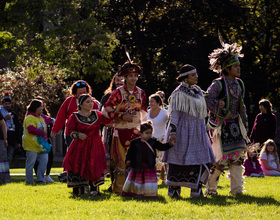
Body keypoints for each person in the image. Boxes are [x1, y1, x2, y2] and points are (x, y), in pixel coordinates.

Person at [162, 64, 215, 198]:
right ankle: (174, 190)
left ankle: (196, 189)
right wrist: (173, 132)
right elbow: (174, 114)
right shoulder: (178, 93)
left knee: (201, 158)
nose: (196, 77)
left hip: (197, 130)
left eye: (196, 74)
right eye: (193, 75)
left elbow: (208, 102)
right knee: (178, 159)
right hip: (182, 131)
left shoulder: (197, 91)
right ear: (185, 78)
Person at [204, 40, 250, 195]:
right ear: (227, 68)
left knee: (237, 157)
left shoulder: (239, 84)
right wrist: (219, 105)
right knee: (220, 160)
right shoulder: (218, 84)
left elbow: (241, 105)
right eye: (236, 66)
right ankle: (211, 189)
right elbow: (207, 98)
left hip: (235, 126)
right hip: (220, 126)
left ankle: (237, 190)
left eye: (239, 66)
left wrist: (244, 124)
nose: (238, 69)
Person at [103, 61, 148, 194]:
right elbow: (107, 109)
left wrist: (144, 128)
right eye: (130, 76)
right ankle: (119, 189)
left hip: (137, 131)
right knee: (121, 162)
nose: (133, 78)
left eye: (135, 76)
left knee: (137, 161)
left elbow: (144, 112)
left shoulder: (141, 93)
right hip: (120, 131)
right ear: (125, 78)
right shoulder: (118, 92)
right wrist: (121, 115)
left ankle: (137, 189)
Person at [62, 94, 112, 196]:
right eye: (87, 102)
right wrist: (78, 134)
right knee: (79, 164)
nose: (91, 104)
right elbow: (69, 131)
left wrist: (112, 110)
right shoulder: (74, 116)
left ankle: (94, 189)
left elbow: (109, 121)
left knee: (94, 165)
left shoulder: (96, 114)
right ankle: (79, 189)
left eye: (91, 101)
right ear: (80, 104)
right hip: (80, 146)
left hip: (95, 145)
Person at [50, 80, 99, 182]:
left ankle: (87, 177)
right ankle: (72, 176)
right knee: (74, 155)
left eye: (85, 92)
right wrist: (55, 129)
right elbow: (61, 116)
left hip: (88, 134)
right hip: (72, 134)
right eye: (80, 93)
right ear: (75, 93)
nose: (82, 95)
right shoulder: (69, 102)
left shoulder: (92, 103)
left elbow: (99, 115)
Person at [122, 121, 174, 199]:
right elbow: (130, 153)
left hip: (149, 165)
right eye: (147, 133)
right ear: (141, 133)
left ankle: (149, 193)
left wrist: (169, 145)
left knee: (148, 181)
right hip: (137, 165)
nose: (149, 135)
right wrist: (128, 160)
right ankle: (136, 193)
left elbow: (161, 147)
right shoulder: (135, 142)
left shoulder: (153, 141)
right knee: (137, 181)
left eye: (150, 133)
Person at [99, 73, 124, 191]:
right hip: (111, 130)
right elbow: (101, 113)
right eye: (117, 80)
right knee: (114, 157)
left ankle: (126, 183)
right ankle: (114, 183)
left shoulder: (131, 95)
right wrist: (110, 123)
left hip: (127, 129)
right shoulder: (108, 96)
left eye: (121, 80)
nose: (119, 82)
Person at [22, 99, 51, 184]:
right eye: (40, 106)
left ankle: (40, 179)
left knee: (44, 160)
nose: (42, 108)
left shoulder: (41, 117)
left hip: (41, 145)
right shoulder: (30, 118)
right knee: (30, 163)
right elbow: (30, 129)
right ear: (35, 108)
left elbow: (49, 120)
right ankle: (29, 181)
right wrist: (42, 132)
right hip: (31, 145)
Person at [148, 93, 169, 183]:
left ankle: (154, 180)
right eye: (149, 102)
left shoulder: (165, 113)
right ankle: (163, 178)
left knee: (158, 160)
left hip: (161, 139)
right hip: (149, 139)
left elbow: (172, 122)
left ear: (158, 102)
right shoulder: (147, 112)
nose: (150, 104)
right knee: (152, 159)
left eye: (152, 102)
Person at [33, 96, 55, 183]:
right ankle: (39, 175)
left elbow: (51, 120)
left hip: (46, 138)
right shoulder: (33, 115)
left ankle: (47, 175)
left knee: (50, 155)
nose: (41, 106)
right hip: (37, 139)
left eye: (42, 104)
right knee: (36, 158)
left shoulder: (45, 113)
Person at [0, 92, 21, 166]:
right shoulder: (1, 113)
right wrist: (5, 119)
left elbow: (17, 128)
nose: (7, 105)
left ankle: (6, 172)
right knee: (2, 156)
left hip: (12, 140)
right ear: (3, 104)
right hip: (2, 138)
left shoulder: (14, 115)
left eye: (9, 104)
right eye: (6, 104)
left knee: (9, 157)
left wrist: (18, 141)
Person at [0, 112, 10, 184]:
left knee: (3, 158)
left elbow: (3, 124)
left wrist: (5, 138)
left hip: (0, 139)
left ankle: (5, 178)